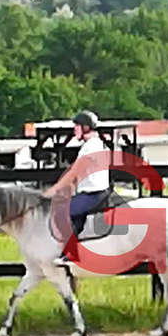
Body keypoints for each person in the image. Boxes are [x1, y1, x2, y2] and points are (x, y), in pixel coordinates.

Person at [44, 110, 110, 264]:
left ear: (86, 128)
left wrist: (53, 190)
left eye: (77, 126)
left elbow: (74, 173)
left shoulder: (90, 148)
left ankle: (72, 254)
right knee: (74, 215)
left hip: (93, 193)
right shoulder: (97, 144)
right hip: (93, 191)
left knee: (62, 214)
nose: (74, 130)